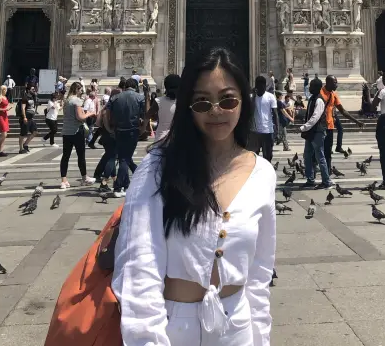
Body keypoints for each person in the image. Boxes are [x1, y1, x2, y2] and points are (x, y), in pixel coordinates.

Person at [112, 47, 276, 346]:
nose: (216, 110)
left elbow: (260, 274)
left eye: (228, 99)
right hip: (176, 329)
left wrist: (261, 338)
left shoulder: (262, 172)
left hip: (237, 326)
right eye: (202, 102)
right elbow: (139, 270)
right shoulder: (158, 169)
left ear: (243, 102)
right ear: (187, 105)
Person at [108, 78, 145, 197]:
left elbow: (107, 112)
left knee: (123, 157)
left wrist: (110, 127)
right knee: (125, 159)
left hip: (118, 130)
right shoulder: (139, 97)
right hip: (132, 131)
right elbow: (144, 114)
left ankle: (126, 185)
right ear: (135, 86)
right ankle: (118, 187)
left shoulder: (115, 97)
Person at [320, 75, 363, 169]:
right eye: (335, 82)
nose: (337, 84)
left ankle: (327, 171)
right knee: (318, 150)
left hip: (330, 127)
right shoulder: (320, 93)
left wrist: (356, 121)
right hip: (320, 127)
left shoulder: (333, 94)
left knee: (327, 151)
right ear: (328, 83)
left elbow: (343, 111)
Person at [60, 81, 96, 189]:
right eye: (81, 90)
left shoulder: (66, 101)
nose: (81, 92)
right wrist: (90, 113)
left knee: (65, 156)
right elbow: (80, 117)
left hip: (66, 131)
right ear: (76, 89)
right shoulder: (77, 100)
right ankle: (85, 178)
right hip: (76, 131)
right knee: (81, 155)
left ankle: (64, 181)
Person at [300, 76, 331, 189]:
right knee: (307, 155)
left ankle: (326, 181)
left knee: (320, 156)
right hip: (311, 132)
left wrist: (304, 127)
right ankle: (310, 179)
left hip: (317, 131)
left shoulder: (319, 100)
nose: (309, 87)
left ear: (317, 88)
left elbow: (315, 117)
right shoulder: (312, 99)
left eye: (312, 86)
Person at [94, 88, 120, 189]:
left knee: (111, 156)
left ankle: (114, 179)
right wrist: (111, 131)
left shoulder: (107, 105)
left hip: (105, 136)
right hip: (110, 135)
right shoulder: (111, 106)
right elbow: (105, 119)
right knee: (111, 157)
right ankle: (104, 182)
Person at [251, 75, 278, 162]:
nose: (260, 89)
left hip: (267, 130)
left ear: (265, 86)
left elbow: (275, 114)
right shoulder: (252, 97)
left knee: (268, 156)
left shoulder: (270, 97)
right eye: (258, 86)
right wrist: (253, 96)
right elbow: (249, 110)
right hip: (255, 132)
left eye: (262, 87)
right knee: (254, 157)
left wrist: (277, 129)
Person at [154, 74, 180, 142]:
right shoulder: (183, 102)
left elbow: (148, 116)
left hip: (160, 139)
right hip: (176, 140)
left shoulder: (158, 101)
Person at [17, 87, 38, 153]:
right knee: (23, 134)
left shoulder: (33, 97)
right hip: (25, 118)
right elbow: (23, 108)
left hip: (31, 118)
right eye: (32, 89)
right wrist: (24, 117)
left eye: (34, 89)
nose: (34, 90)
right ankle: (21, 149)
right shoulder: (25, 98)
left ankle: (25, 144)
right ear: (28, 90)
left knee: (35, 132)